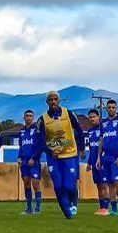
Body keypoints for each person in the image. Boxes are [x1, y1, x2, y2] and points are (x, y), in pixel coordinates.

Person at [30, 91, 85, 219]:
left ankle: (73, 204)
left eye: (55, 99)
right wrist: (49, 151)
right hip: (54, 157)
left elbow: (79, 130)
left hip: (70, 154)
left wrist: (81, 148)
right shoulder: (42, 119)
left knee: (69, 185)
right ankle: (67, 213)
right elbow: (40, 141)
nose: (53, 102)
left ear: (59, 100)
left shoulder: (68, 113)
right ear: (47, 102)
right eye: (51, 100)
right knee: (58, 186)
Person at [96, 99, 118, 216]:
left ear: (116, 108)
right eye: (109, 107)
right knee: (109, 183)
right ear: (106, 109)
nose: (110, 109)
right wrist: (99, 157)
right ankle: (113, 209)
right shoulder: (103, 123)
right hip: (106, 158)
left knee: (117, 181)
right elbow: (101, 141)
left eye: (112, 107)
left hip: (116, 157)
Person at [17, 109, 43, 214]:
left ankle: (37, 208)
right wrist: (19, 157)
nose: (28, 117)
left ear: (33, 118)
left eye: (30, 116)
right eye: (26, 115)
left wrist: (34, 158)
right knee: (26, 183)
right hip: (23, 161)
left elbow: (40, 146)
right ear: (24, 117)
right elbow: (21, 146)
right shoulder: (21, 131)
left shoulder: (37, 130)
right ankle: (29, 208)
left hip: (34, 161)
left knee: (36, 184)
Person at [85, 109, 108, 215]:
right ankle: (101, 206)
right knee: (98, 185)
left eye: (94, 116)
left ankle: (106, 208)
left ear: (98, 117)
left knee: (104, 184)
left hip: (102, 161)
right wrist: (89, 163)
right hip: (93, 162)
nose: (92, 119)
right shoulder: (90, 131)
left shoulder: (103, 128)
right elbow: (91, 148)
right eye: (90, 117)